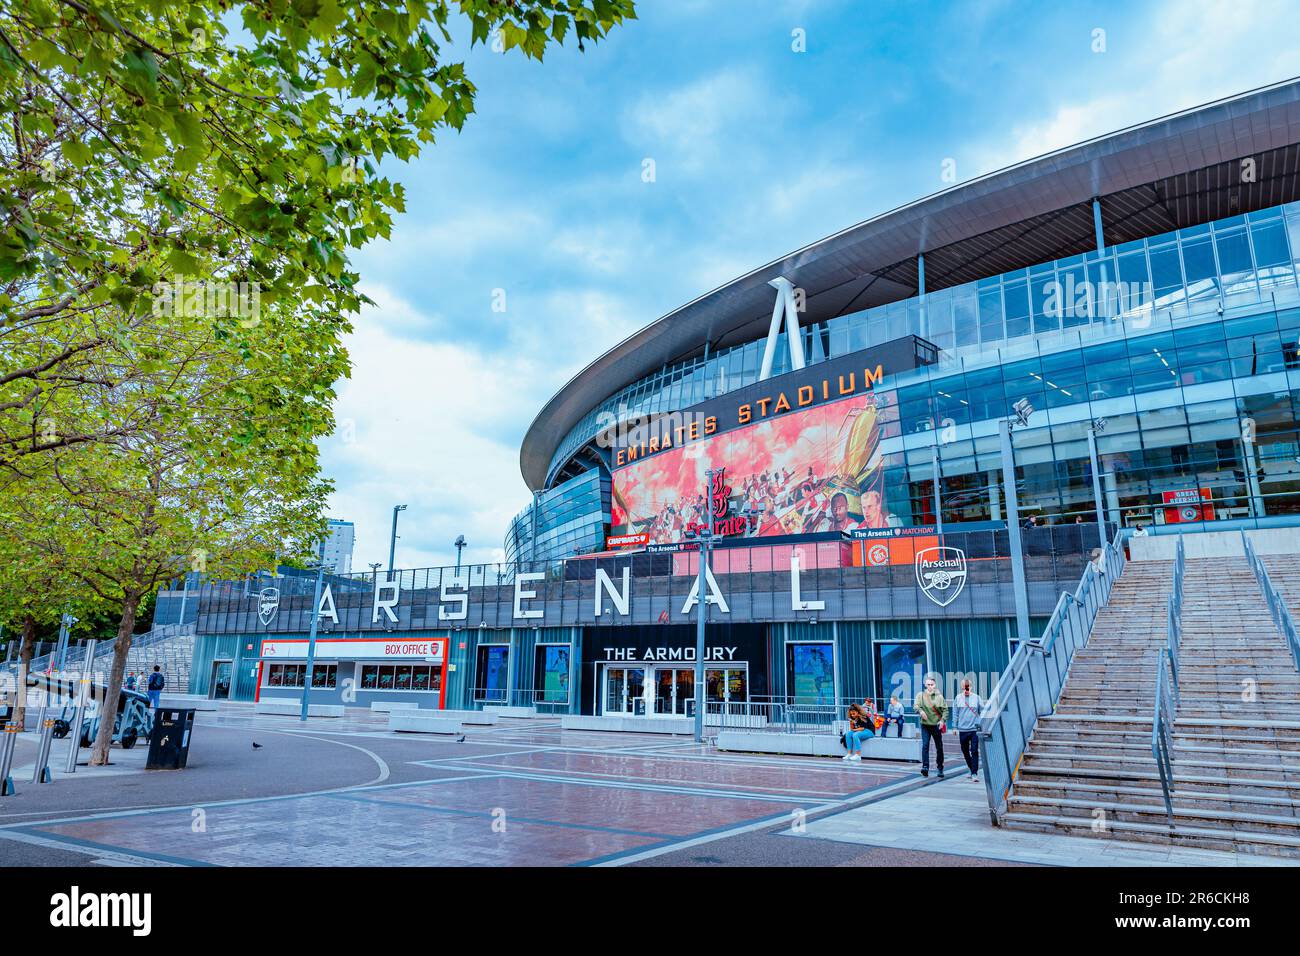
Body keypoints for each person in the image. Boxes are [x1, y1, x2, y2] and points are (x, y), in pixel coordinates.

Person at [914, 676, 948, 778]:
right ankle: (925, 767)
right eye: (928, 684)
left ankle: (940, 767)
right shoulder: (920, 695)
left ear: (935, 685)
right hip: (925, 725)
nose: (930, 686)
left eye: (931, 684)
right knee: (925, 746)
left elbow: (945, 710)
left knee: (939, 747)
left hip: (936, 725)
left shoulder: (939, 697)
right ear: (925, 685)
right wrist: (921, 711)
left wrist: (942, 720)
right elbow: (916, 705)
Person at [952, 678, 982, 782]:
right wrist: (954, 727)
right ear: (961, 688)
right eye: (964, 687)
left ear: (971, 687)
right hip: (963, 730)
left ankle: (974, 773)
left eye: (968, 687)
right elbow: (955, 713)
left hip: (974, 729)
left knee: (974, 751)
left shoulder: (977, 698)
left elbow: (982, 712)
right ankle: (971, 768)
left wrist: (981, 724)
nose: (966, 689)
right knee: (965, 751)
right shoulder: (958, 698)